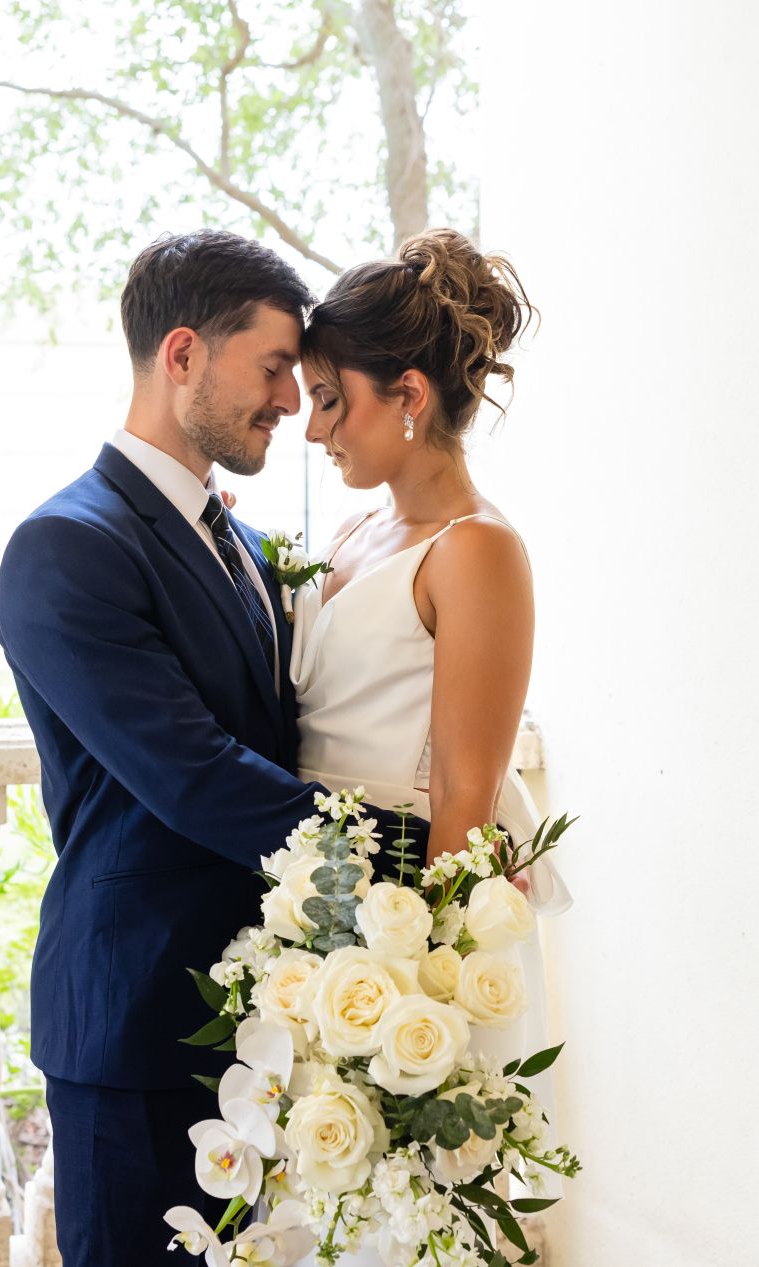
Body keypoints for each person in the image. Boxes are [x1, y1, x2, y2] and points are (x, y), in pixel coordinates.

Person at [0, 228, 328, 1265]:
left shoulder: (244, 543)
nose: (291, 399)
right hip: (134, 1020)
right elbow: (192, 772)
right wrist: (405, 851)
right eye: (273, 368)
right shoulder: (68, 545)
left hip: (255, 1018)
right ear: (182, 354)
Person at [286, 227, 571, 1265]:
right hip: (314, 891)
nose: (315, 428)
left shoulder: (480, 552)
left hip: (402, 909)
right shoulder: (359, 535)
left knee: (406, 1207)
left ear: (406, 395)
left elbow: (464, 789)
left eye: (333, 398)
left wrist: (415, 985)